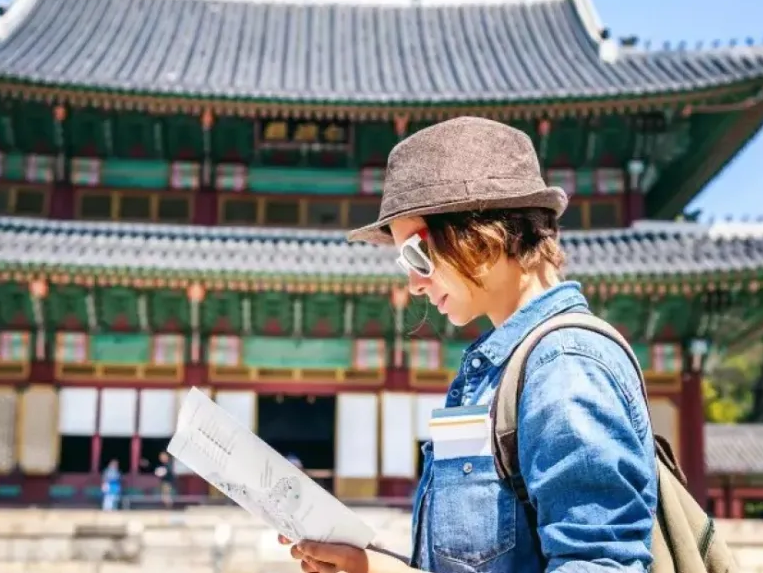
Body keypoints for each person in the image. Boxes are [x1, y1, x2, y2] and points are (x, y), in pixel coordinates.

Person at [281, 117, 657, 573]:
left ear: (481, 231)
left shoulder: (565, 366)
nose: (414, 283)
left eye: (415, 255)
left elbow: (598, 565)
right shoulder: (509, 368)